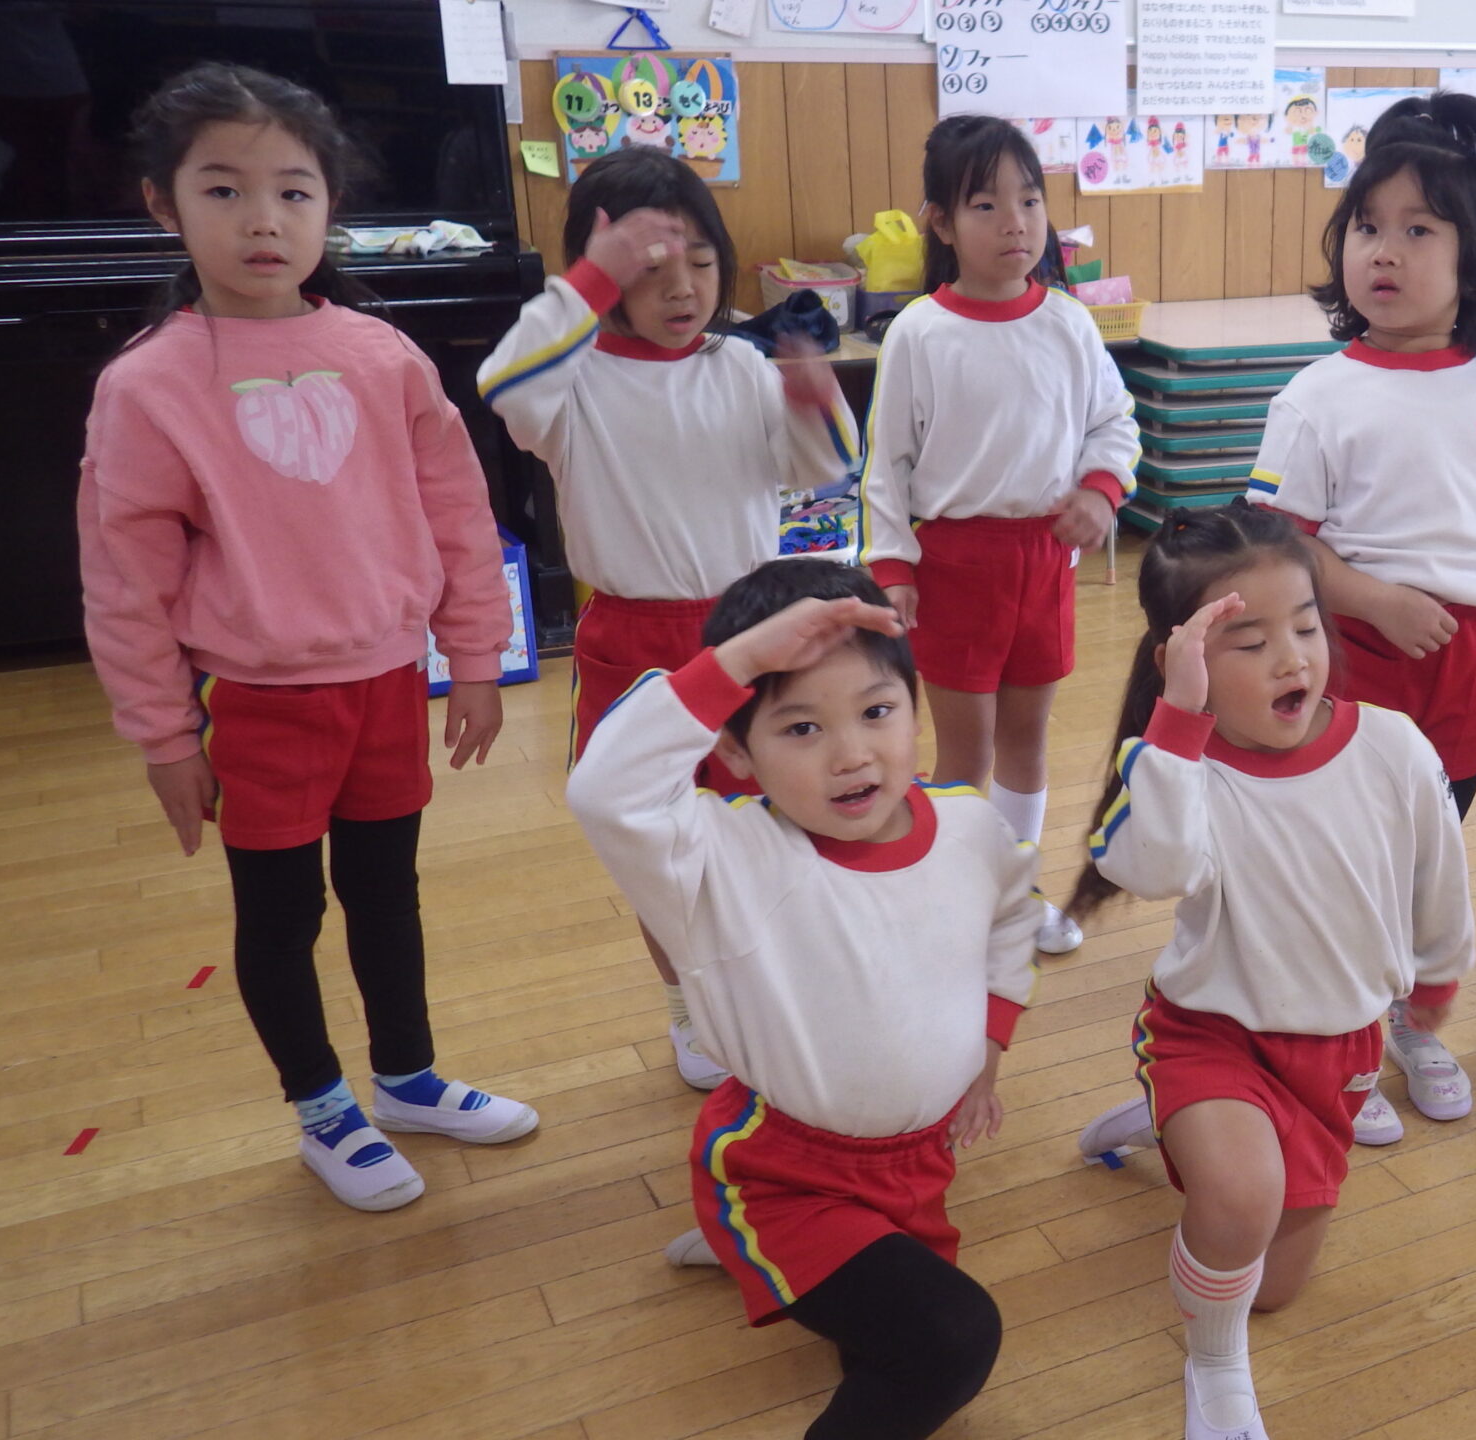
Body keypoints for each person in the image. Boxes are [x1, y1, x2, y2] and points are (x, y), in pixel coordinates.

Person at [77, 63, 535, 1212]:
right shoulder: (148, 385)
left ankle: (407, 1078)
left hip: (387, 684)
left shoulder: (384, 355)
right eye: (224, 190)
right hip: (258, 702)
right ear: (163, 204)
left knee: (388, 894)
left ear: (331, 206)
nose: (263, 220)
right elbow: (126, 583)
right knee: (282, 916)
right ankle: (322, 1107)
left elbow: (459, 515)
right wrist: (164, 738)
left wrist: (475, 658)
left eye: (293, 191)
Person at [567, 560, 1035, 1440]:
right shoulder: (721, 857)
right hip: (782, 1175)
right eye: (803, 727)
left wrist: (988, 1054)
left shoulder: (970, 826)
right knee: (949, 1341)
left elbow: (1012, 921)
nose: (851, 753)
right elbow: (602, 789)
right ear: (737, 754)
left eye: (877, 712)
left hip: (918, 1166)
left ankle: (756, 1261)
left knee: (884, 1354)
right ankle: (747, 1238)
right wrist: (738, 661)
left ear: (916, 709)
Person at [1062, 506, 1472, 1440]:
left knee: (1273, 1289)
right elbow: (1154, 867)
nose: (1292, 659)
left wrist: (1440, 975)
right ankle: (1212, 1366)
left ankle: (1169, 1126)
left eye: (1307, 627)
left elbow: (1438, 875)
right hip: (1212, 1034)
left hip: (1337, 1051)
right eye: (1249, 643)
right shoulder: (1178, 770)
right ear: (1185, 660)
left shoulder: (1394, 747)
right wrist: (1176, 725)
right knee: (1240, 1205)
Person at [1246, 91, 1476, 1141]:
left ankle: (1407, 1020)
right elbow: (1275, 545)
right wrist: (1373, 600)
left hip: (1466, 668)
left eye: (1417, 230)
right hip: (1350, 660)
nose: (1384, 252)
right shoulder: (1318, 395)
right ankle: (1335, 1039)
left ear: (1472, 255)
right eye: (1366, 227)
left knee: (1426, 851)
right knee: (1344, 857)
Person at [477, 144, 859, 1094]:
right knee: (656, 840)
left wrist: (812, 392)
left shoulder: (740, 365)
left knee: (772, 819)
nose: (683, 287)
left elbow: (820, 466)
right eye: (649, 268)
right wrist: (591, 279)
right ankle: (690, 1005)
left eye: (700, 261)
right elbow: (504, 385)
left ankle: (773, 989)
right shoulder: (570, 379)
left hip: (750, 634)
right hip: (632, 642)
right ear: (600, 276)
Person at [857, 113, 1138, 957]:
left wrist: (1101, 491)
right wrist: (893, 565)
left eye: (1029, 200)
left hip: (1044, 561)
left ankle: (1014, 896)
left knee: (1026, 739)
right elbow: (886, 464)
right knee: (965, 750)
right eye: (986, 205)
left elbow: (1114, 424)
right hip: (953, 567)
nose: (1015, 222)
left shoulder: (1070, 324)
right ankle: (954, 898)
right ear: (941, 223)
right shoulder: (919, 331)